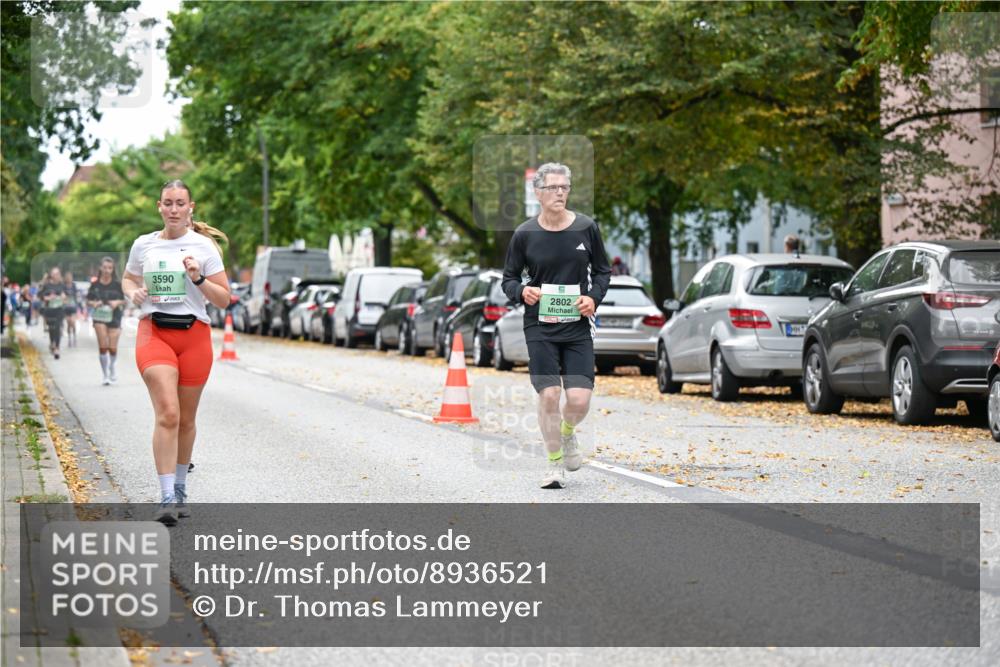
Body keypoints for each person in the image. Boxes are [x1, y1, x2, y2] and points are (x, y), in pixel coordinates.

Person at [122, 180, 230, 525]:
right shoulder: (144, 245)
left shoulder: (204, 246)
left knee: (185, 419)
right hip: (154, 332)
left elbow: (224, 298)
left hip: (194, 336)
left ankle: (181, 488)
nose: (173, 209)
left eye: (180, 203)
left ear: (190, 208)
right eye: (167, 203)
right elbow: (128, 278)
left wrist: (198, 278)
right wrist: (133, 292)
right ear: (159, 206)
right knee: (168, 413)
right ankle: (166, 495)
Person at [501, 163, 611, 489]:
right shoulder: (524, 234)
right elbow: (509, 279)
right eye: (553, 187)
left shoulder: (586, 228)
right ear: (538, 193)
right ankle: (553, 464)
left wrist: (593, 297)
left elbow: (603, 271)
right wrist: (522, 291)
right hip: (540, 326)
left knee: (578, 400)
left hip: (577, 326)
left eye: (565, 187)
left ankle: (567, 432)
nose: (560, 192)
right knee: (549, 394)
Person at [87, 257, 126, 385]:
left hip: (115, 316)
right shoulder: (95, 285)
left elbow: (125, 300)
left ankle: (112, 367)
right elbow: (88, 300)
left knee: (112, 348)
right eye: (104, 267)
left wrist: (117, 302)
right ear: (100, 268)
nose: (107, 270)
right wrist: (94, 303)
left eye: (109, 268)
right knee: (103, 346)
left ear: (113, 269)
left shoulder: (117, 285)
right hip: (100, 316)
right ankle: (105, 375)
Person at [39, 267, 69, 358]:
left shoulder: (62, 285)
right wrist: (48, 298)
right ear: (51, 275)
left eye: (58, 273)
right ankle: (52, 342)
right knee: (51, 328)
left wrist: (63, 297)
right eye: (54, 274)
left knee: (58, 327)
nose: (56, 275)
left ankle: (57, 348)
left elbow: (67, 297)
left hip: (59, 310)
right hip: (49, 310)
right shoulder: (47, 285)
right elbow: (40, 296)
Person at [62, 271, 79, 347]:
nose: (69, 279)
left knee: (73, 322)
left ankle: (74, 337)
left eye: (70, 277)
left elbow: (76, 295)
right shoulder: (63, 286)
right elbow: (62, 295)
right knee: (68, 323)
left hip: (73, 306)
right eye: (68, 277)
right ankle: (69, 339)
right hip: (66, 307)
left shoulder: (74, 285)